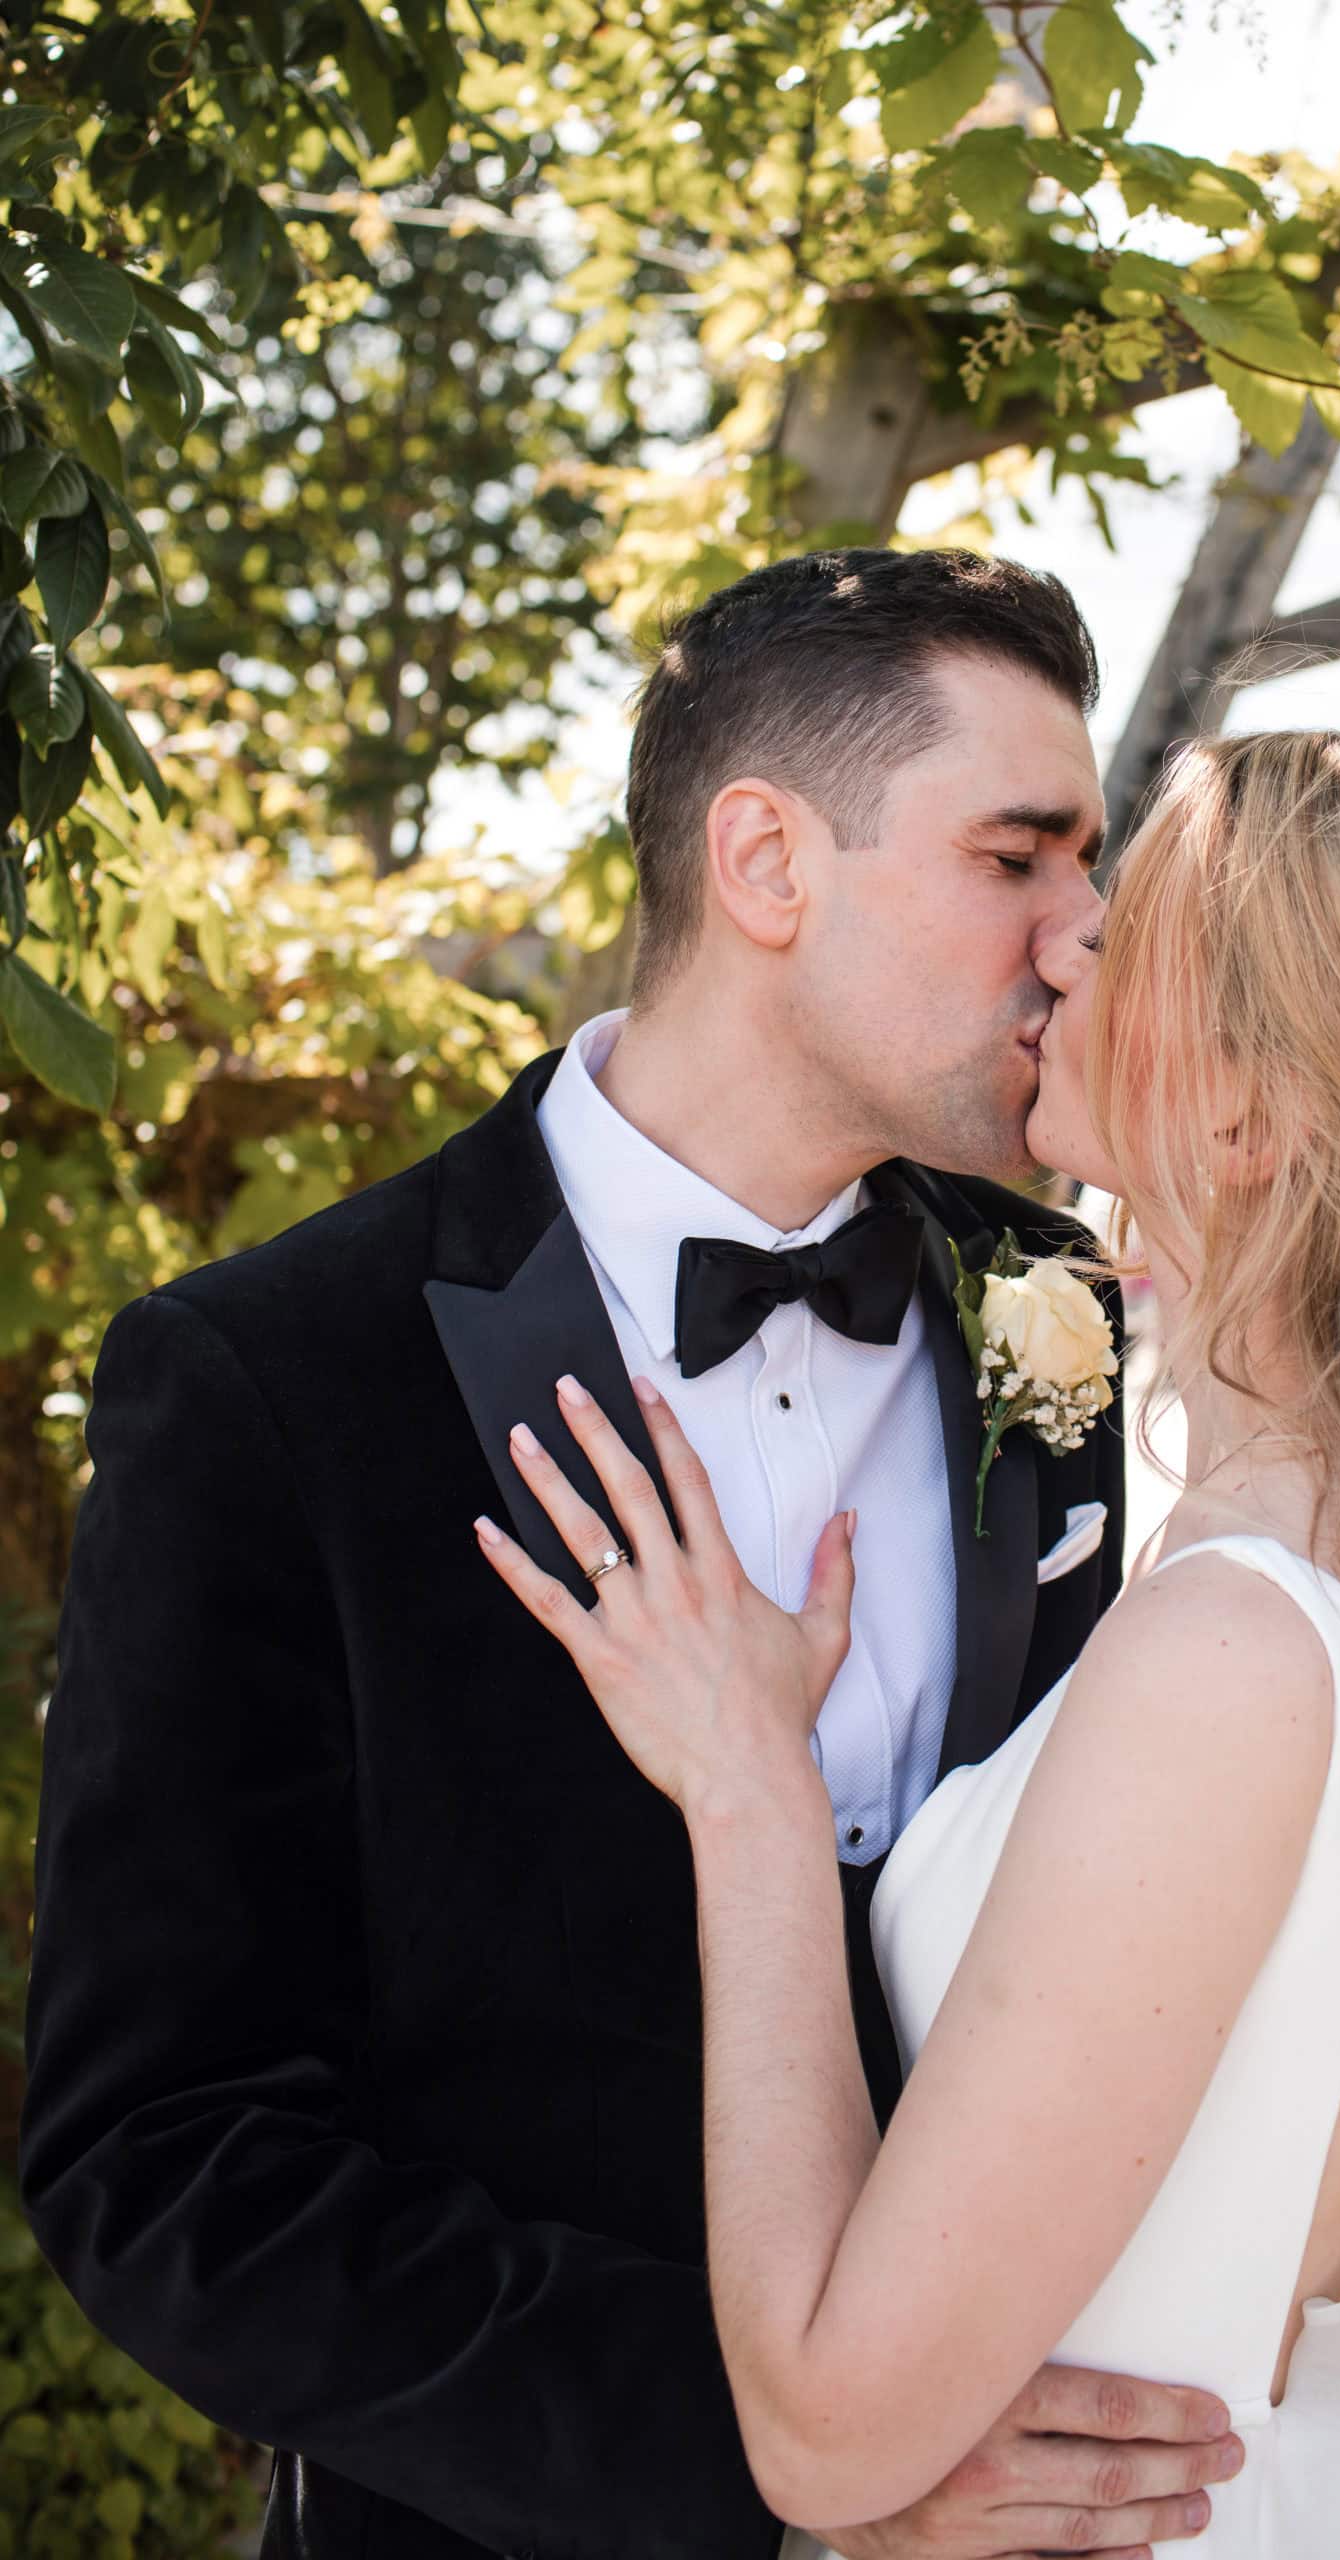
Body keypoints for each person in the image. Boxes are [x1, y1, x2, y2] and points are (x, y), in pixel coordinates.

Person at [20, 549, 1253, 2560]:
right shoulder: (270, 1377)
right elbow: (164, 2159)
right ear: (766, 859)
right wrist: (794, 2469)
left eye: (1088, 865)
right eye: (1020, 855)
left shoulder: (1060, 1302)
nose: (1081, 935)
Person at [475, 729, 1340, 2560]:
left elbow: (833, 2442)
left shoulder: (1239, 1654)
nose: (1066, 944)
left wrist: (752, 1793)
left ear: (1248, 1122)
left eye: (1128, 923)